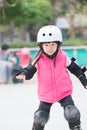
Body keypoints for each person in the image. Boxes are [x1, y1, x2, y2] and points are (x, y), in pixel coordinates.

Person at [16, 25, 87, 130]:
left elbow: (76, 69)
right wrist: (24, 75)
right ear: (41, 46)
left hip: (64, 93)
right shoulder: (38, 58)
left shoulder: (63, 56)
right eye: (46, 45)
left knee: (72, 113)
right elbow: (29, 70)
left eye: (53, 44)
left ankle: (76, 127)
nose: (50, 48)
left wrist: (84, 82)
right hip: (46, 94)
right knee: (40, 117)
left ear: (58, 44)